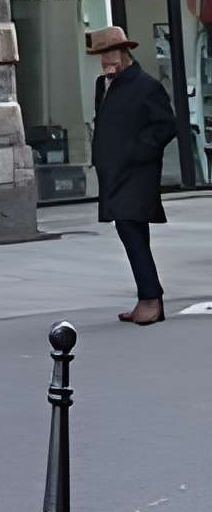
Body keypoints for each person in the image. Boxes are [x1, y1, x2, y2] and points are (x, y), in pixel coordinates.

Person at [89, 24, 178, 325]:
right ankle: (149, 299)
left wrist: (138, 152)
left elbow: (166, 126)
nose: (106, 61)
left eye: (110, 53)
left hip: (138, 174)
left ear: (125, 53)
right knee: (132, 233)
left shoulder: (146, 85)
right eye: (101, 55)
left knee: (130, 229)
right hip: (115, 174)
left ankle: (150, 300)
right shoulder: (104, 84)